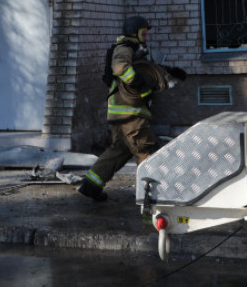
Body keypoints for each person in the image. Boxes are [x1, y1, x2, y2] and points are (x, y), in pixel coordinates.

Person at [77, 15, 187, 202]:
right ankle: (152, 195)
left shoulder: (134, 49)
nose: (146, 37)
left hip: (121, 115)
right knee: (147, 151)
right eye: (143, 33)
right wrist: (140, 85)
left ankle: (91, 185)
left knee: (119, 151)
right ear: (133, 33)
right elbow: (120, 67)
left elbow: (145, 68)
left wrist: (169, 71)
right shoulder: (124, 47)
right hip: (131, 115)